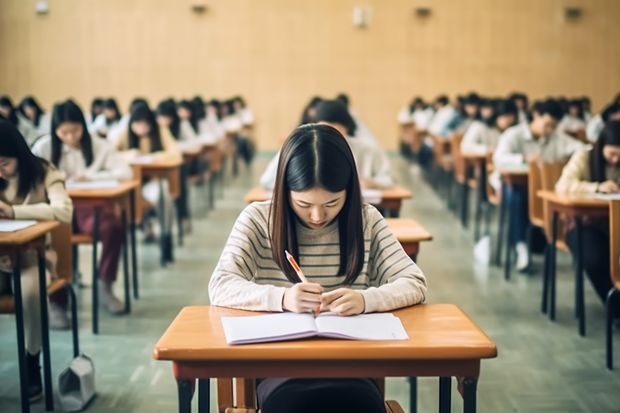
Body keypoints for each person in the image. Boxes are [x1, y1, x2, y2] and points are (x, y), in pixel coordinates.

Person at [209, 123, 427, 413]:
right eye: (303, 203)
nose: (317, 216)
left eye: (332, 203)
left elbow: (414, 281)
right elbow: (220, 284)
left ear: (349, 189)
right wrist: (283, 299)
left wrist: (365, 300)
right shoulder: (258, 219)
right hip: (279, 365)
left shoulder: (367, 220)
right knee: (296, 404)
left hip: (352, 366)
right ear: (284, 189)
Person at [32, 99, 132, 317]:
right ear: (55, 130)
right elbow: (31, 179)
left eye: (75, 130)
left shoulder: (98, 145)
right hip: (56, 210)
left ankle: (105, 283)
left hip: (90, 209)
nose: (70, 137)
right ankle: (57, 300)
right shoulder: (44, 147)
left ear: (83, 127)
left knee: (113, 228)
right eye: (64, 132)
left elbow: (126, 172)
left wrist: (92, 176)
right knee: (52, 235)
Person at [0, 119, 73, 402]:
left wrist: (15, 212)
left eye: (4, 163)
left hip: (33, 257)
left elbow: (63, 211)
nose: (1, 171)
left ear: (18, 154)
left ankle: (32, 361)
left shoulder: (43, 171)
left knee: (30, 290)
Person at [492, 98, 585, 271]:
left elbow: (583, 150)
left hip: (542, 188)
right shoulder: (514, 134)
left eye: (554, 126)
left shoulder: (556, 137)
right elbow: (498, 157)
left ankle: (547, 240)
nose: (549, 130)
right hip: (514, 185)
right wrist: (522, 159)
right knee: (516, 197)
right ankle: (521, 248)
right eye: (547, 124)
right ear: (536, 115)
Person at [555, 120, 620, 318]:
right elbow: (563, 185)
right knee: (594, 258)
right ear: (601, 146)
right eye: (611, 154)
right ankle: (616, 308)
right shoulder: (584, 156)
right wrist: (596, 187)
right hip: (584, 224)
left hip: (615, 224)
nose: (616, 160)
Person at [260, 100, 393, 190]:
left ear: (346, 128)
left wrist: (372, 183)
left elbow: (388, 179)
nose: (329, 135)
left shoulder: (367, 151)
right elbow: (267, 180)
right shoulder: (299, 146)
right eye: (324, 127)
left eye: (335, 128)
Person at [115, 104, 181, 261]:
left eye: (145, 124)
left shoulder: (161, 131)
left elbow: (176, 154)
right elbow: (111, 154)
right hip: (130, 185)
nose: (141, 128)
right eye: (137, 124)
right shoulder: (125, 133)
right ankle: (143, 226)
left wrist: (157, 156)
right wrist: (128, 154)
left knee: (164, 192)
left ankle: (165, 235)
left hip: (152, 182)